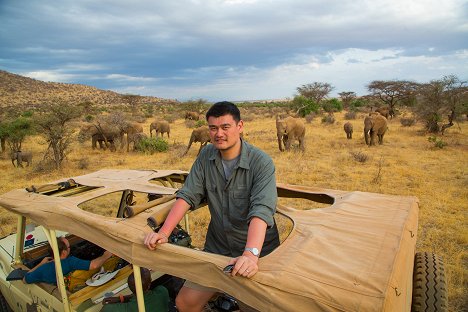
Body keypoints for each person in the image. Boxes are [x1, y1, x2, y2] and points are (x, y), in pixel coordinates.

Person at [144, 101, 280, 312]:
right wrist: (164, 232)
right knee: (185, 303)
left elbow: (261, 211)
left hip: (258, 251)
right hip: (218, 246)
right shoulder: (206, 156)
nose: (219, 134)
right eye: (213, 128)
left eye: (225, 127)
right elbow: (188, 195)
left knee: (255, 306)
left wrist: (251, 255)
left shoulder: (260, 162)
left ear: (240, 126)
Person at [23, 236, 113, 285]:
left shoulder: (43, 269)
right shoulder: (70, 262)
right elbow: (94, 265)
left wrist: (41, 264)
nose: (70, 249)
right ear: (64, 252)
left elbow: (25, 279)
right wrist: (106, 255)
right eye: (69, 247)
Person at [102, 267, 169, 312]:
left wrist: (121, 299)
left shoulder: (124, 308)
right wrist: (121, 298)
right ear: (149, 284)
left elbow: (105, 309)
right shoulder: (162, 291)